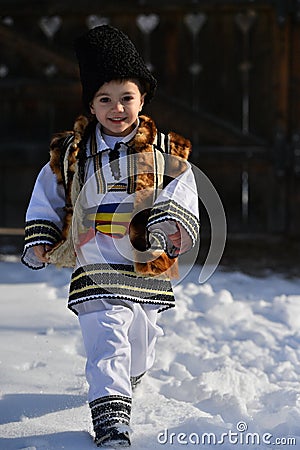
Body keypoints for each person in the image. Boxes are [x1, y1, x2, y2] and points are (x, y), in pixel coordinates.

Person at [21, 25, 199, 448]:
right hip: (95, 261)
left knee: (141, 337)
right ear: (91, 103)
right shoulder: (72, 152)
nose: (116, 108)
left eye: (126, 98)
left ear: (142, 98)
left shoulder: (163, 151)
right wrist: (42, 236)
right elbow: (49, 194)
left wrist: (169, 225)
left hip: (144, 262)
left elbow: (182, 188)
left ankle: (131, 375)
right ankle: (111, 420)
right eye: (105, 99)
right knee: (107, 336)